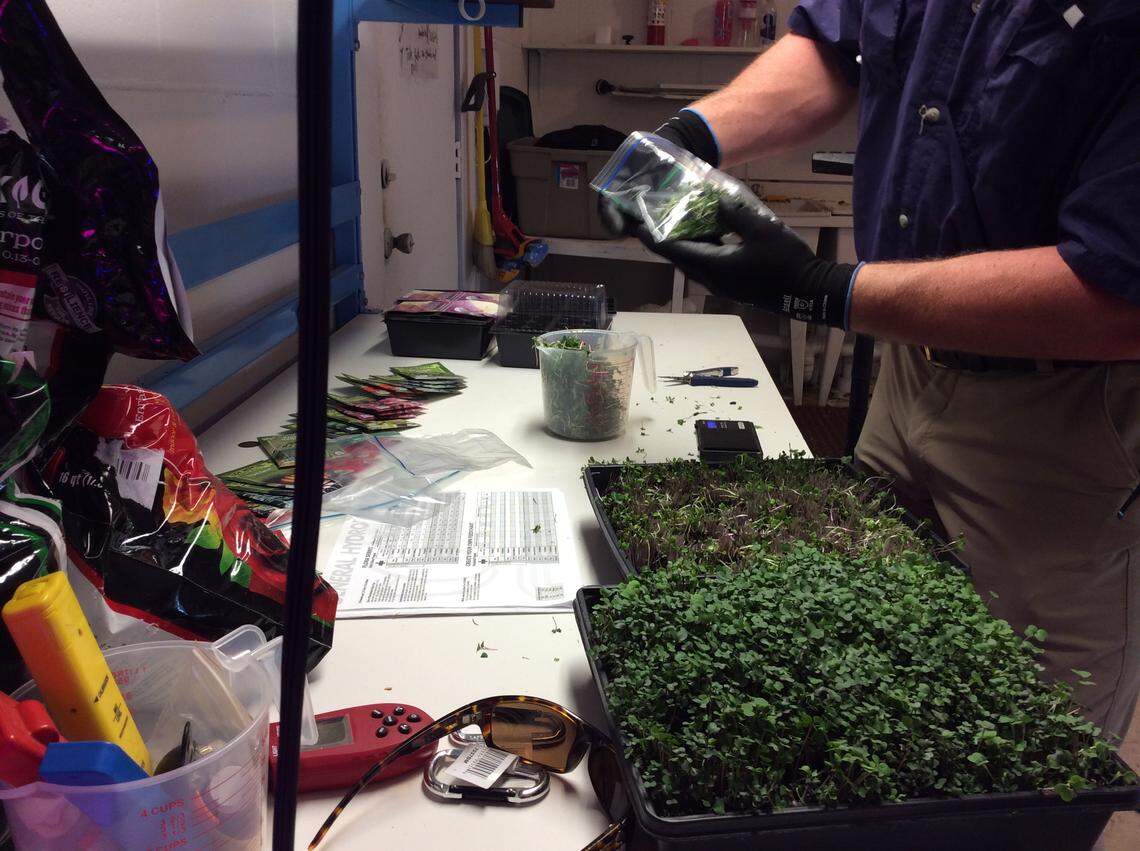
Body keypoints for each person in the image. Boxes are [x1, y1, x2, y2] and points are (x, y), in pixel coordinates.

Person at [603, 0, 1140, 739]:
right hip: (908, 367)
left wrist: (824, 289)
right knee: (867, 657)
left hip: (1063, 409)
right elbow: (836, 47)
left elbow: (1119, 295)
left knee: (1033, 731)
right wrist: (688, 139)